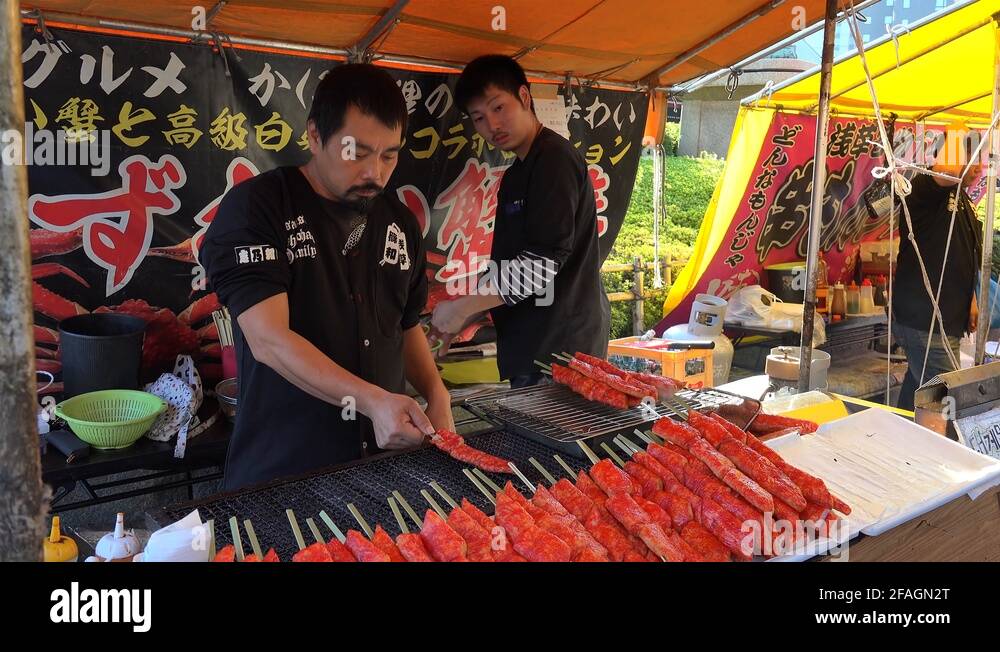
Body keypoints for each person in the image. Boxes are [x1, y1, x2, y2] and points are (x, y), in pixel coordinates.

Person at [201, 64, 453, 490]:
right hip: (285, 472)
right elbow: (269, 340)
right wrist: (373, 402)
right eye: (357, 152)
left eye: (389, 155)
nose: (375, 172)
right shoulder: (258, 209)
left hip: (383, 473)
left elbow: (405, 324)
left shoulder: (399, 223)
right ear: (315, 136)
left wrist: (437, 392)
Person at [430, 54, 610, 388]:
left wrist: (463, 307)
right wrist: (461, 316)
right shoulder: (516, 174)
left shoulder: (554, 160)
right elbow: (511, 264)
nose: (492, 126)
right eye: (479, 118)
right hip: (530, 345)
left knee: (556, 439)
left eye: (499, 108)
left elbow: (543, 262)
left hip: (562, 351)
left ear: (525, 97)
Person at [893, 122, 983, 410]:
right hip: (925, 320)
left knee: (919, 390)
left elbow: (962, 253)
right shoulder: (923, 187)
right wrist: (958, 126)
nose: (979, 168)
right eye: (973, 158)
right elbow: (947, 172)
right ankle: (940, 450)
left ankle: (900, 431)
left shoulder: (963, 200)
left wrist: (971, 300)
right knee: (947, 399)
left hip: (946, 318)